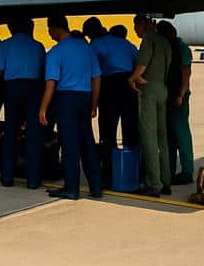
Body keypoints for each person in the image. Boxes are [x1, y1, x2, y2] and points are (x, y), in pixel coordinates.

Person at [40, 15, 102, 199]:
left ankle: (71, 188)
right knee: (88, 143)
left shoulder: (55, 52)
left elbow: (51, 82)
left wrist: (43, 108)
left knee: (69, 144)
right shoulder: (86, 49)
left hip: (66, 99)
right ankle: (96, 187)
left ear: (57, 28)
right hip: (84, 97)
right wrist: (94, 103)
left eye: (49, 30)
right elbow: (97, 77)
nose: (49, 34)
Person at [83, 16, 138, 180]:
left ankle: (108, 173)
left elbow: (92, 71)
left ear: (91, 34)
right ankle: (133, 171)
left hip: (109, 86)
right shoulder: (125, 43)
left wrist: (92, 100)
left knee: (108, 130)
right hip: (129, 85)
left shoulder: (95, 44)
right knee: (131, 129)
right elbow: (137, 59)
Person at [0, 16, 46, 189]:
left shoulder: (5, 45)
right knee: (33, 133)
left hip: (12, 87)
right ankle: (33, 180)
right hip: (34, 88)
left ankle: (7, 177)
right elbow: (42, 70)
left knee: (11, 132)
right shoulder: (38, 46)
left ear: (10, 28)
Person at [129, 14, 171, 196]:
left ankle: (153, 183)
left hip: (149, 91)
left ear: (143, 25)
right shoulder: (165, 42)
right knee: (162, 138)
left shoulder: (148, 40)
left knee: (149, 138)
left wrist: (132, 78)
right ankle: (166, 180)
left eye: (135, 26)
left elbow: (142, 65)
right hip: (162, 88)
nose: (135, 30)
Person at [157, 20, 195, 185]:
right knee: (169, 137)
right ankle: (169, 169)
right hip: (168, 96)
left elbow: (186, 74)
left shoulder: (181, 48)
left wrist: (181, 95)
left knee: (181, 135)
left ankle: (187, 171)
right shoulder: (169, 47)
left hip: (179, 97)